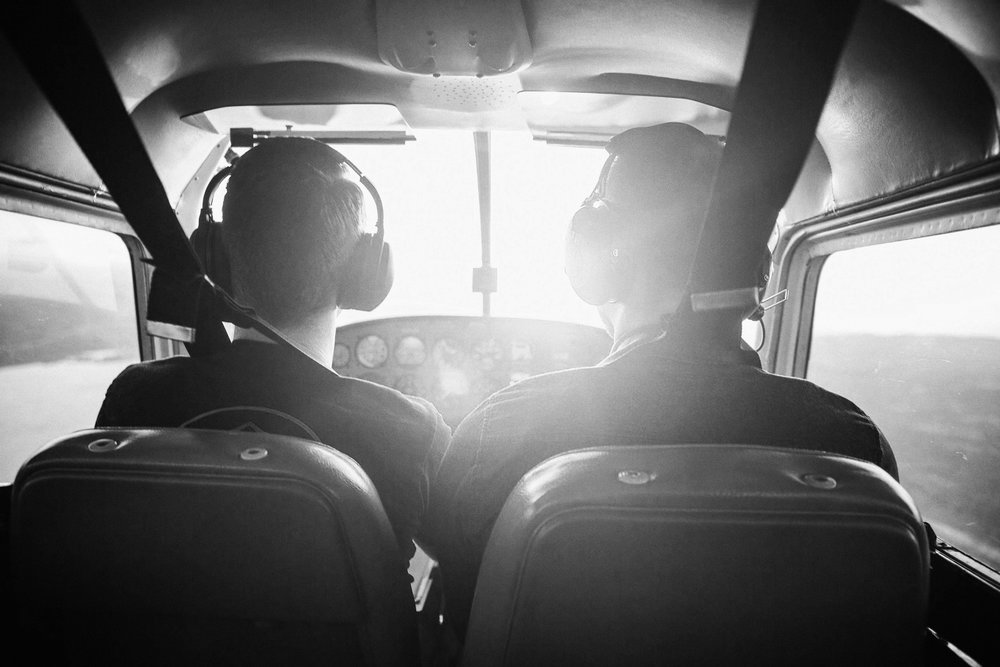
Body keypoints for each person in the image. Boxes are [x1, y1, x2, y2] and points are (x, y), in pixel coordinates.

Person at [419, 122, 897, 636]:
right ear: (759, 276)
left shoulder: (499, 433)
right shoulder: (853, 446)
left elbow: (459, 586)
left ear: (596, 260)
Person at [97, 137, 451, 560]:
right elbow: (466, 561)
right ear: (365, 274)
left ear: (216, 258)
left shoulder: (136, 399)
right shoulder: (408, 429)